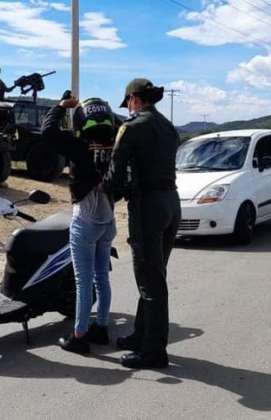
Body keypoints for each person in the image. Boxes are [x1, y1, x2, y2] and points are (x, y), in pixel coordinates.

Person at [105, 79, 180, 369]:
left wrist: (101, 190)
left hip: (148, 207)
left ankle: (154, 352)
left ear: (134, 99)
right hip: (170, 204)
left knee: (151, 283)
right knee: (153, 276)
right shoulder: (169, 127)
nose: (129, 109)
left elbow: (114, 174)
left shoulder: (132, 127)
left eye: (129, 103)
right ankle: (141, 335)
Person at [42, 92, 117, 355]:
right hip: (108, 221)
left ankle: (79, 335)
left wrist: (61, 106)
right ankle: (102, 327)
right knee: (102, 278)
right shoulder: (116, 144)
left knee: (82, 282)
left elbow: (48, 132)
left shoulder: (78, 145)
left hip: (84, 221)